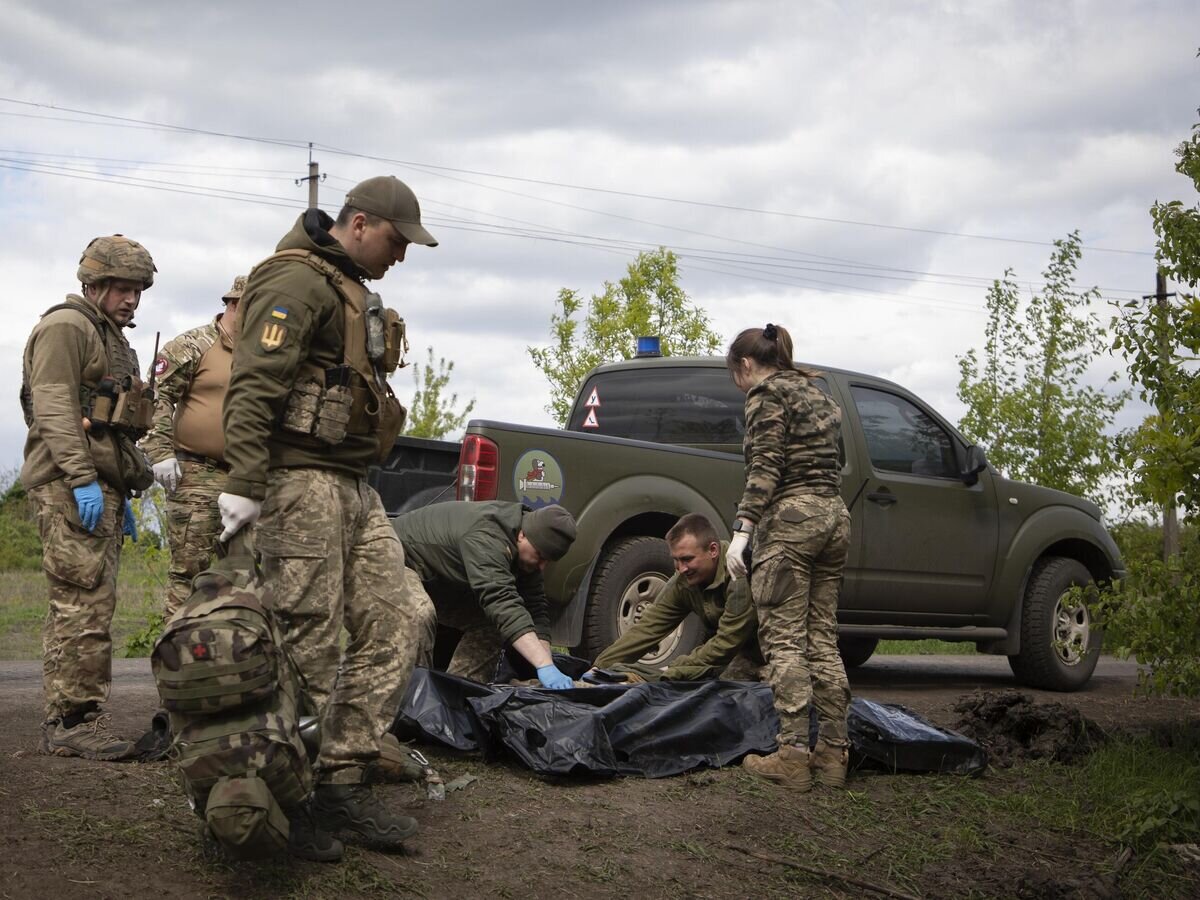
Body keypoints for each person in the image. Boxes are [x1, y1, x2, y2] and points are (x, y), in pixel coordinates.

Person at [218, 176, 439, 860]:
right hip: (298, 480)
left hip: (352, 482)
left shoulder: (351, 291)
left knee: (402, 613)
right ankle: (289, 796)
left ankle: (343, 776)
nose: (402, 255)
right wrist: (246, 482)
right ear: (362, 224)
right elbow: (254, 381)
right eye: (398, 240)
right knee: (306, 640)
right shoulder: (298, 282)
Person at [20, 235, 157, 761]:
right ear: (93, 284)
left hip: (102, 484)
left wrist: (122, 484)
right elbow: (53, 406)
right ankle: (74, 721)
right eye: (121, 288)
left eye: (137, 290)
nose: (131, 300)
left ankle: (70, 716)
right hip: (69, 482)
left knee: (89, 601)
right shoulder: (67, 327)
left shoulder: (111, 337)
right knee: (81, 604)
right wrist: (80, 478)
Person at [725, 323, 852, 792]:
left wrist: (742, 532)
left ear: (745, 364)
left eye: (735, 375)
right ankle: (834, 756)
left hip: (792, 523)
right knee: (822, 638)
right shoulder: (821, 394)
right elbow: (832, 463)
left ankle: (793, 757)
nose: (738, 386)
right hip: (834, 518)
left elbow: (766, 465)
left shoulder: (765, 395)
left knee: (784, 642)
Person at [140, 275, 245, 617]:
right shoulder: (194, 344)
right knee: (191, 570)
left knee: (241, 573)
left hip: (247, 477)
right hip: (197, 473)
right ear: (233, 304)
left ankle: (226, 657)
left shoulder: (266, 353)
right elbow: (155, 396)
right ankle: (177, 660)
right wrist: (160, 452)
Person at [391, 501, 578, 687]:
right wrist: (543, 664)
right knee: (418, 612)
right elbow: (501, 601)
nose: (542, 566)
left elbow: (535, 608)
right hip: (392, 559)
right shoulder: (487, 536)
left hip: (435, 576)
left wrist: (547, 665)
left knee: (491, 624)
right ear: (522, 535)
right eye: (540, 556)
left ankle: (456, 694)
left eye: (548, 561)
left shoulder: (527, 549)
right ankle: (409, 697)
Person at [590, 513, 762, 681]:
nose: (681, 568)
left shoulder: (738, 574)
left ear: (713, 550)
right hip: (744, 652)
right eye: (676, 560)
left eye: (687, 559)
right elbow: (648, 627)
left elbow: (727, 641)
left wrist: (675, 669)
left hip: (777, 649)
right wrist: (601, 665)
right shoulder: (683, 582)